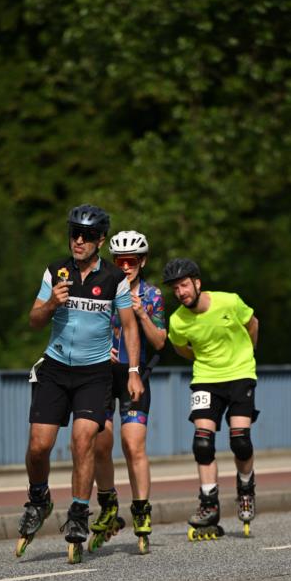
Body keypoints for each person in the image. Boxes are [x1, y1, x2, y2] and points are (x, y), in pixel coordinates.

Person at [17, 204, 144, 563]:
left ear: (100, 240)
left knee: (82, 440)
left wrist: (134, 371)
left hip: (94, 373)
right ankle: (39, 499)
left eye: (87, 236)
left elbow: (129, 326)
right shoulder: (56, 271)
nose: (78, 240)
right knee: (39, 447)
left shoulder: (114, 278)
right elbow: (34, 320)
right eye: (74, 232)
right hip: (55, 369)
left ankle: (77, 515)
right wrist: (51, 305)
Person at [162, 258, 259, 539]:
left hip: (240, 373)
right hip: (205, 378)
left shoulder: (229, 302)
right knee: (202, 443)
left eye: (183, 285)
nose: (180, 292)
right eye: (175, 289)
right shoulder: (177, 321)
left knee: (240, 439)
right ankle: (208, 504)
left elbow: (253, 324)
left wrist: (247, 356)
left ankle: (245, 489)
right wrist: (204, 362)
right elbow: (181, 348)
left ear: (197, 282)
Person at [90, 231, 166, 554]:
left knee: (132, 444)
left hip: (135, 376)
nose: (124, 267)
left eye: (130, 262)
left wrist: (142, 314)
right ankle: (109, 505)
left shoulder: (152, 294)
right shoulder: (101, 288)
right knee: (98, 441)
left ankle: (141, 510)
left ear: (141, 262)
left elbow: (161, 341)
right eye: (118, 261)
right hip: (103, 375)